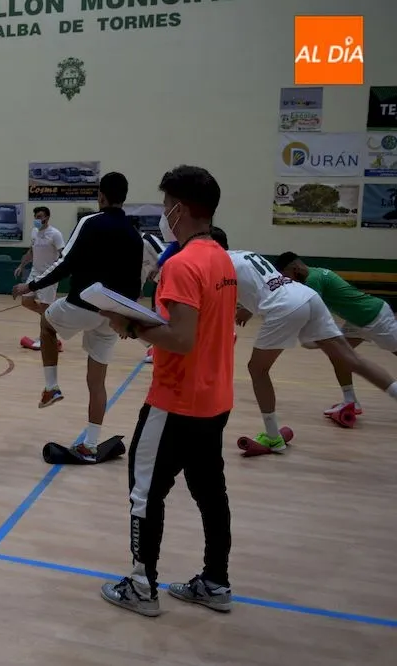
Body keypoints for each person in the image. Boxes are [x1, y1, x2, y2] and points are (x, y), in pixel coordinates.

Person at [98, 165, 235, 618]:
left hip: (175, 401)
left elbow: (180, 338)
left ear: (179, 209)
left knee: (144, 493)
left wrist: (131, 324)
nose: (163, 214)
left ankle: (141, 587)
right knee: (209, 492)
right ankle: (215, 582)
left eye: (164, 206)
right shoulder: (221, 259)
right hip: (214, 399)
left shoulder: (180, 264)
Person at [210, 228, 397, 452]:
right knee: (351, 359)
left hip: (284, 306)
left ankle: (273, 437)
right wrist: (247, 309)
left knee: (257, 369)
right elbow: (261, 284)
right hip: (306, 296)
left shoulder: (218, 263)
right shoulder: (244, 254)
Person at [11, 173, 142, 458]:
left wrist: (30, 285)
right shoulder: (133, 233)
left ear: (101, 196)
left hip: (82, 304)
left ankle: (51, 387)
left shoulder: (89, 222)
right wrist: (128, 319)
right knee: (97, 382)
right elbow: (136, 283)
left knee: (46, 325)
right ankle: (90, 444)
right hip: (114, 315)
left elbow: (65, 264)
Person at [275, 253, 397, 415]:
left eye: (286, 275)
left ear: (294, 268)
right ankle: (350, 401)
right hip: (356, 320)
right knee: (339, 356)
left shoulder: (313, 280)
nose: (288, 279)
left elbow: (310, 311)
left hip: (374, 316)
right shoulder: (315, 273)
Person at [14, 206, 65, 351]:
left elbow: (63, 254)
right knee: (26, 301)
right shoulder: (34, 231)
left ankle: (46, 338)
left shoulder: (55, 234)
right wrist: (21, 265)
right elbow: (31, 251)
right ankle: (50, 316)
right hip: (34, 273)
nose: (37, 219)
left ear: (47, 217)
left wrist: (59, 270)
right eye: (36, 216)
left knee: (44, 307)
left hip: (49, 275)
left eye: (40, 216)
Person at [135, 217, 167, 363]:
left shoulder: (147, 240)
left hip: (169, 281)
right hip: (158, 284)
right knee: (156, 316)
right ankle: (157, 349)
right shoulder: (132, 246)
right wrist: (139, 287)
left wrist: (157, 267)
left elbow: (165, 255)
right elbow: (139, 269)